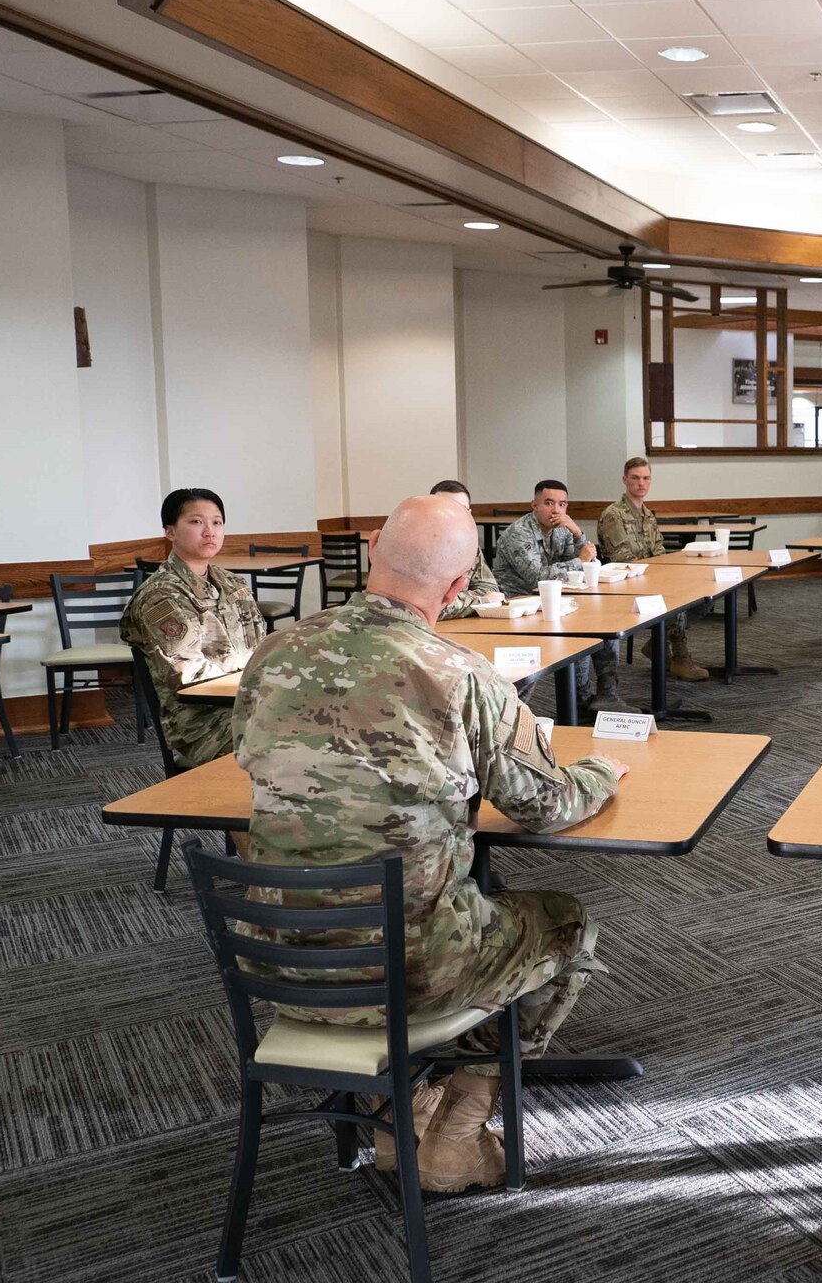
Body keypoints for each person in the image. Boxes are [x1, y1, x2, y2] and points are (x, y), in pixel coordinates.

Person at [232, 494, 630, 1193]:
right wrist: (602, 770)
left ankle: (398, 1110)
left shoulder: (273, 653)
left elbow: (251, 757)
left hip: (279, 967)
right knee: (568, 923)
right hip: (409, 974)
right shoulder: (463, 676)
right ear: (455, 588)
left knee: (444, 891)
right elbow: (544, 805)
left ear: (375, 556)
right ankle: (455, 1133)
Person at [120, 487, 267, 769]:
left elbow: (262, 648)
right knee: (294, 744)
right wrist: (253, 675)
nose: (209, 532)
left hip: (247, 705)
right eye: (196, 522)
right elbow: (190, 674)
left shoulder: (232, 584)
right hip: (201, 723)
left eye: (217, 522)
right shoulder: (161, 596)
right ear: (170, 532)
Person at [494, 479, 630, 712]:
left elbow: (580, 570)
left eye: (562, 504)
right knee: (579, 631)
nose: (556, 510)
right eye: (548, 503)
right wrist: (580, 561)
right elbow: (537, 577)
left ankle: (608, 694)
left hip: (554, 602)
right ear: (534, 505)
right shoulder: (518, 534)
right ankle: (580, 700)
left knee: (603, 622)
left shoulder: (563, 530)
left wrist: (577, 532)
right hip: (520, 606)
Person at [597, 458, 709, 683]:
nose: (641, 483)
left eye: (646, 478)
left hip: (652, 579)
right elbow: (623, 560)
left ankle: (658, 644)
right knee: (676, 602)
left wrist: (668, 574)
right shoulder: (613, 515)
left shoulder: (648, 515)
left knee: (704, 596)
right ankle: (679, 657)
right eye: (635, 478)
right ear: (625, 480)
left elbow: (659, 552)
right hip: (625, 585)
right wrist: (660, 576)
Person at [428, 480, 502, 619]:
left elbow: (489, 589)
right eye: (446, 509)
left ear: (469, 513)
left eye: (461, 509)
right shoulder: (418, 544)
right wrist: (480, 601)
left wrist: (463, 602)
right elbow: (432, 607)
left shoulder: (468, 542)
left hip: (461, 625)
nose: (454, 516)